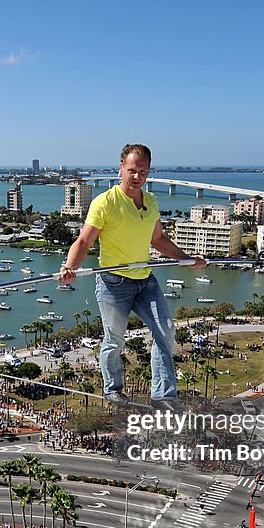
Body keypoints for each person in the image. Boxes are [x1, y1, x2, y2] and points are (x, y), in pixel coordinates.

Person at [59, 143, 206, 409]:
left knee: (165, 330)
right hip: (114, 284)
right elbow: (83, 242)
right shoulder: (105, 202)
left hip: (146, 280)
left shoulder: (150, 200)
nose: (137, 176)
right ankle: (113, 391)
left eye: (143, 171)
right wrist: (70, 268)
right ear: (120, 169)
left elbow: (158, 238)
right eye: (132, 170)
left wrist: (186, 259)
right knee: (114, 341)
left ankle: (163, 396)